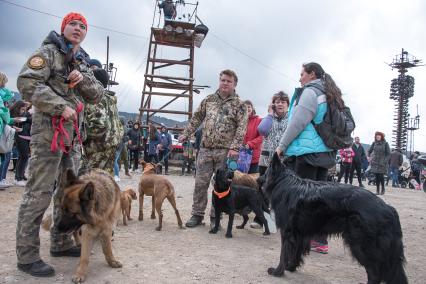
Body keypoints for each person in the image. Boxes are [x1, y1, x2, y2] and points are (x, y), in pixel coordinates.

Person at [15, 12, 104, 277]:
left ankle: (61, 242)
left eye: (83, 26)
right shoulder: (47, 53)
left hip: (72, 138)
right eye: (73, 24)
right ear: (63, 28)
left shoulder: (82, 61)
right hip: (48, 135)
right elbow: (26, 82)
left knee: (66, 194)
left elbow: (97, 94)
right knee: (38, 192)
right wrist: (59, 106)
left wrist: (82, 79)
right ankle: (27, 256)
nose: (78, 29)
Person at [276, 62, 344, 254]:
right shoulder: (329, 93)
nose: (300, 78)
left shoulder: (310, 92)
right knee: (318, 201)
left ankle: (299, 242)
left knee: (300, 202)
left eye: (302, 74)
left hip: (306, 154)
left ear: (312, 74)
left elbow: (297, 122)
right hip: (324, 154)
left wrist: (281, 147)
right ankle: (320, 240)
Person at [178, 69, 247, 228]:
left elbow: (241, 128)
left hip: (225, 151)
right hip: (205, 149)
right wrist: (186, 133)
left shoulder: (240, 105)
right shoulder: (209, 100)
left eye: (228, 81)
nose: (225, 83)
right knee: (200, 183)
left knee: (220, 185)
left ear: (234, 84)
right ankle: (197, 214)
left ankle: (216, 217)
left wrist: (235, 147)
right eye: (223, 80)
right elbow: (196, 119)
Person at [80, 59, 123, 175]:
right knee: (105, 179)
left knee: (94, 180)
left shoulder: (96, 99)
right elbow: (119, 125)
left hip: (98, 147)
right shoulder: (110, 99)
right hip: (111, 144)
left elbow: (98, 125)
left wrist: (82, 136)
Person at [257, 91, 289, 176]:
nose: (280, 104)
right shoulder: (269, 118)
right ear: (273, 105)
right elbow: (262, 130)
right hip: (266, 162)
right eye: (277, 102)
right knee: (263, 188)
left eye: (283, 102)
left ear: (288, 105)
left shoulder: (291, 119)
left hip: (284, 162)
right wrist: (270, 113)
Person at [9, 100, 32, 186]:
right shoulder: (12, 113)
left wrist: (26, 115)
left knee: (23, 157)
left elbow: (30, 120)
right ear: (17, 108)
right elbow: (8, 123)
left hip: (26, 136)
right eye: (22, 109)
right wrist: (15, 127)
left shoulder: (26, 114)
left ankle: (20, 176)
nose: (23, 111)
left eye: (24, 109)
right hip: (19, 136)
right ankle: (18, 178)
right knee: (24, 156)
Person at [242, 100, 263, 174]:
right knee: (237, 180)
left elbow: (262, 137)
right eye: (245, 107)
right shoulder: (239, 121)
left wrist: (250, 144)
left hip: (253, 158)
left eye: (249, 107)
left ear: (252, 108)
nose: (247, 108)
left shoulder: (259, 120)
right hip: (239, 157)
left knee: (252, 181)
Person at [114, 117, 130, 182]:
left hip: (119, 145)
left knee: (115, 161)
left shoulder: (122, 128)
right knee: (117, 160)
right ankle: (117, 174)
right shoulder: (124, 128)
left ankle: (117, 175)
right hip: (120, 145)